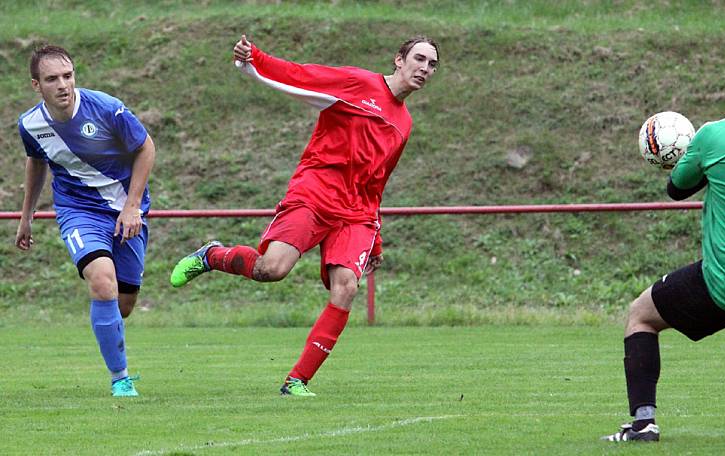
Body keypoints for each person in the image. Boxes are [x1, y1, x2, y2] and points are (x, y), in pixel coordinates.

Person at [170, 34, 439, 396]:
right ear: (399, 60)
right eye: (419, 59)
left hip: (356, 212)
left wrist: (375, 239)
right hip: (315, 194)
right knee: (272, 269)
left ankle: (296, 381)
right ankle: (212, 255)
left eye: (432, 64)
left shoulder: (404, 123)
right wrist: (254, 59)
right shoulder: (358, 83)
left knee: (346, 288)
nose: (424, 68)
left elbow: (378, 183)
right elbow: (300, 76)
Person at [604, 38, 725, 442]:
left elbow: (677, 189)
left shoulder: (713, 137)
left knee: (641, 316)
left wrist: (716, 156)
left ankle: (643, 424)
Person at [16, 45, 156, 397]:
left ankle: (108, 330)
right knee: (102, 282)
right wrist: (27, 216)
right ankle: (120, 379)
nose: (63, 85)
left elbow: (146, 147)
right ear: (37, 85)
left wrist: (132, 206)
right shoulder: (31, 125)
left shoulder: (106, 107)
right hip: (78, 210)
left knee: (122, 305)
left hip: (126, 209)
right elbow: (36, 163)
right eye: (52, 79)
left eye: (68, 75)